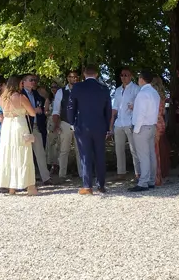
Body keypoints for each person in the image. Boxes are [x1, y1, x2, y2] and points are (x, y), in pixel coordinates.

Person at [67, 65, 113, 193]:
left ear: (84, 74)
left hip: (83, 125)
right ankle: (101, 184)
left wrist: (72, 123)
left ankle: (87, 185)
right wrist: (107, 126)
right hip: (100, 125)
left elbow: (71, 107)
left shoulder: (77, 87)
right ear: (97, 74)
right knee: (100, 155)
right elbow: (108, 110)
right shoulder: (104, 89)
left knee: (85, 155)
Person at [0, 83, 40, 195]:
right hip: (19, 125)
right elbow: (32, 113)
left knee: (9, 155)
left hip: (7, 127)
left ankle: (12, 187)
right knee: (23, 154)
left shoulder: (3, 98)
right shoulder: (21, 97)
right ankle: (30, 187)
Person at [129, 71, 162, 192]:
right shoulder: (154, 93)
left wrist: (136, 129)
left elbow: (141, 113)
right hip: (152, 126)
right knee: (151, 154)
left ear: (142, 79)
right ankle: (151, 180)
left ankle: (143, 182)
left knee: (143, 155)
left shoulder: (143, 93)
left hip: (142, 126)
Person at [20, 74, 52, 185]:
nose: (34, 82)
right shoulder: (19, 94)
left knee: (41, 153)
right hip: (24, 128)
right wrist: (34, 110)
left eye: (35, 80)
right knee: (24, 155)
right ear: (23, 82)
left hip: (36, 127)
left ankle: (46, 178)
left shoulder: (37, 94)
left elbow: (43, 109)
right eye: (31, 80)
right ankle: (25, 180)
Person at [109, 67, 139, 182]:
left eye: (126, 75)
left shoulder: (136, 89)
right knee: (119, 149)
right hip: (119, 123)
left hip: (130, 122)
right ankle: (121, 172)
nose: (123, 77)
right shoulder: (117, 90)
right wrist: (110, 126)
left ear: (131, 76)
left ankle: (138, 173)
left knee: (134, 149)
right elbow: (114, 109)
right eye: (122, 75)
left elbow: (140, 105)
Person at [50, 70, 79, 179]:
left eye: (76, 77)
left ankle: (82, 174)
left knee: (80, 150)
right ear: (68, 78)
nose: (74, 79)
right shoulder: (61, 92)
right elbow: (56, 110)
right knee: (64, 150)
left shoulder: (81, 90)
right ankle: (62, 175)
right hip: (65, 123)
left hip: (78, 123)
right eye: (72, 77)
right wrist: (56, 125)